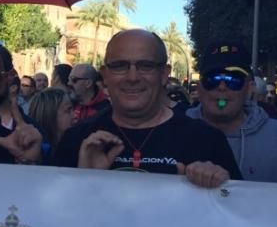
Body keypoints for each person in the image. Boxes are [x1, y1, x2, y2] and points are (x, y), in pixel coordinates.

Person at [55, 29, 241, 187]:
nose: (133, 77)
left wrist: (219, 187)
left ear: (164, 74)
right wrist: (82, 181)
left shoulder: (208, 142)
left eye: (146, 66)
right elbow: (49, 215)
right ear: (105, 75)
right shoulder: (76, 140)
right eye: (120, 66)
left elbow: (239, 215)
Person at [186, 40, 277, 184]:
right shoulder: (175, 131)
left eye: (233, 80)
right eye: (212, 79)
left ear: (250, 88)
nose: (222, 87)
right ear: (199, 87)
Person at [27, 87, 74, 162]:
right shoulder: (35, 154)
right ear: (49, 114)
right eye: (68, 110)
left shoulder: (74, 147)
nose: (74, 115)